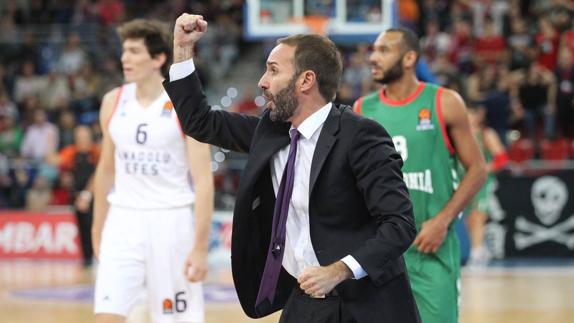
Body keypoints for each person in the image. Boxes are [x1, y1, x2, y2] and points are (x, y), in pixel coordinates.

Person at [164, 14, 421, 323]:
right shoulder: (269, 132)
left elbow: (399, 224)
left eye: (273, 70)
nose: (262, 81)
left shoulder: (361, 136)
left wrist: (339, 270)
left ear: (305, 80)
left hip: (364, 303)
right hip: (303, 300)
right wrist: (181, 50)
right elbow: (200, 122)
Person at [354, 28, 486, 323]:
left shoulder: (444, 102)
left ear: (410, 57)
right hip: (381, 253)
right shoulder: (363, 109)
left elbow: (478, 169)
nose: (373, 57)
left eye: (384, 50)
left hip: (431, 249)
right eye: (373, 50)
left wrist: (442, 220)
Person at [92, 19, 214, 323]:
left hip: (171, 221)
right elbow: (106, 170)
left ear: (158, 58)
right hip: (123, 221)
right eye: (123, 51)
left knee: (174, 319)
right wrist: (97, 229)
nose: (125, 58)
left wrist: (200, 247)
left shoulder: (183, 104)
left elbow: (203, 181)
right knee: (107, 316)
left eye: (134, 51)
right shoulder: (112, 101)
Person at [49, 125, 100, 267]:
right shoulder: (72, 151)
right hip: (77, 197)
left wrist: (87, 194)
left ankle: (99, 256)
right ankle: (87, 259)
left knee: (95, 226)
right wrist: (50, 147)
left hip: (94, 196)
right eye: (79, 136)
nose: (82, 139)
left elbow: (99, 174)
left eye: (85, 136)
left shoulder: (96, 151)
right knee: (82, 226)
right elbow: (54, 160)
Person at [464, 105, 508, 269]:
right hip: (466, 180)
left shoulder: (486, 134)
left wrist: (486, 168)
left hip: (483, 180)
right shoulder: (461, 134)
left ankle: (477, 254)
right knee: (470, 219)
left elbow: (502, 158)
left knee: (478, 215)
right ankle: (480, 249)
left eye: (470, 112)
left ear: (479, 115)